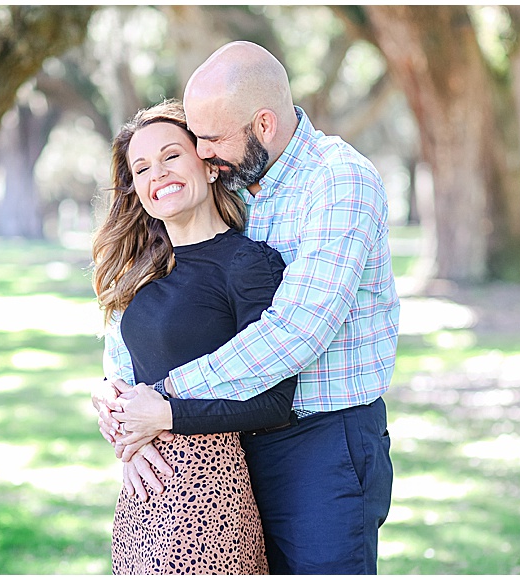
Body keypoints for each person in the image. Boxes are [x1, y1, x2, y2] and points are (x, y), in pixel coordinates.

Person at [96, 41, 400, 575]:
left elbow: (294, 333)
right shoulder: (240, 187)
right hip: (223, 448)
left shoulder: (337, 182)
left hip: (321, 442)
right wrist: (121, 408)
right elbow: (160, 317)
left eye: (210, 139)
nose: (202, 153)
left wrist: (161, 402)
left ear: (262, 125)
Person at [91, 99, 299, 574]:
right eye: (141, 168)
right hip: (141, 493)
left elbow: (273, 405)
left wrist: (164, 413)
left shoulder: (247, 265)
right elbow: (129, 368)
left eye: (171, 156)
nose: (157, 174)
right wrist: (110, 404)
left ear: (206, 168)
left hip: (207, 496)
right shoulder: (141, 273)